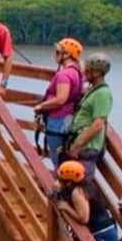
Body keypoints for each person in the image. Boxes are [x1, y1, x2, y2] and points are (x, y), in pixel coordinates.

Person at [33, 38, 84, 169]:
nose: (54, 55)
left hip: (58, 121)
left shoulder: (64, 75)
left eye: (57, 52)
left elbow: (61, 99)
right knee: (64, 159)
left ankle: (60, 186)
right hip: (68, 119)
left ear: (66, 55)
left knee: (58, 160)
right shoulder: (77, 72)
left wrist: (41, 106)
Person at [64, 52, 114, 182]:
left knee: (81, 186)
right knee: (70, 183)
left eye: (87, 71)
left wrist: (78, 144)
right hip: (78, 141)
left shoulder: (103, 94)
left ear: (97, 73)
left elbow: (98, 124)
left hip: (87, 147)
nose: (84, 73)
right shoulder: (93, 90)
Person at [51, 159, 119, 241]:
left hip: (101, 234)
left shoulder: (78, 192)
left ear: (68, 181)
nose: (58, 181)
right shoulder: (87, 186)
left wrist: (66, 207)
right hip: (106, 230)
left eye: (61, 179)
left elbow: (84, 218)